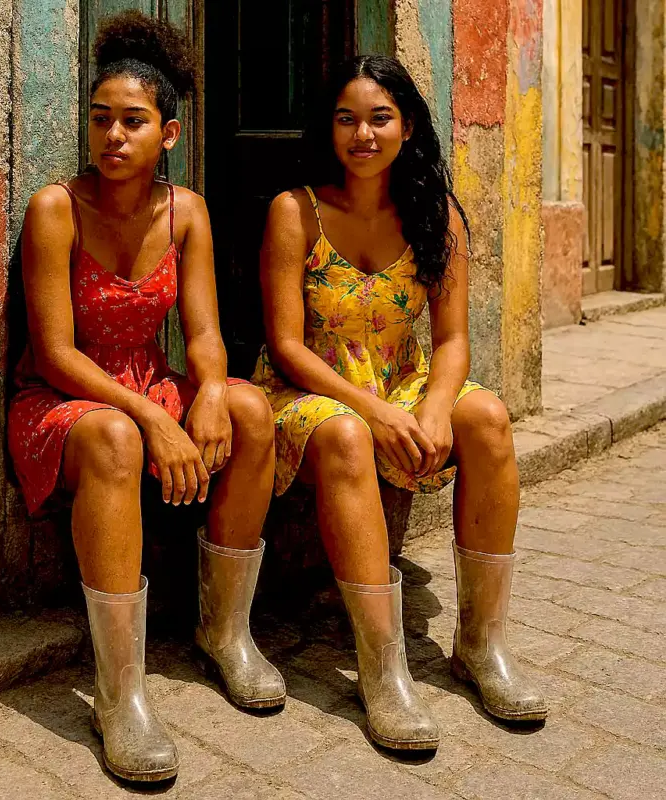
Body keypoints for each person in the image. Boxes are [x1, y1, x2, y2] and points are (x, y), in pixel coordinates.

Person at [8, 11, 284, 784]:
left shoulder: (184, 209)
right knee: (117, 440)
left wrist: (205, 394)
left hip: (147, 384)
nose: (113, 137)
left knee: (252, 411)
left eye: (133, 122)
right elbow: (57, 354)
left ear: (168, 132)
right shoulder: (55, 208)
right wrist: (154, 414)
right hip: (66, 401)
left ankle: (225, 631)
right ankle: (119, 691)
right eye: (101, 121)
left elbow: (202, 334)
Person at [254, 54, 547, 752]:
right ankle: (382, 669)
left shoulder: (434, 214)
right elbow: (288, 346)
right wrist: (376, 411)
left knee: (489, 419)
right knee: (349, 435)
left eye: (380, 118)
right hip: (310, 387)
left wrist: (436, 407)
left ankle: (480, 644)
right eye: (347, 119)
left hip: (402, 377)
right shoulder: (296, 210)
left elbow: (450, 342)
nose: (363, 133)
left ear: (407, 127)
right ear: (329, 129)